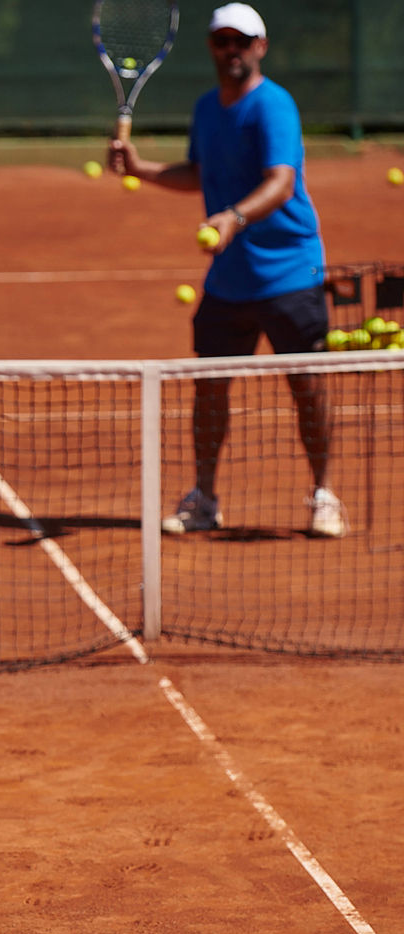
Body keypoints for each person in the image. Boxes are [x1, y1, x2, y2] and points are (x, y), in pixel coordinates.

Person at [109, 2, 347, 538]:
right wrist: (142, 168)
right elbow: (198, 172)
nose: (232, 50)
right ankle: (206, 498)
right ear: (213, 47)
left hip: (289, 272)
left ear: (260, 46)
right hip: (229, 279)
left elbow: (281, 182)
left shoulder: (273, 106)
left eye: (243, 41)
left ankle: (324, 494)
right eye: (223, 41)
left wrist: (236, 217)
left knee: (306, 387)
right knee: (209, 388)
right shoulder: (207, 109)